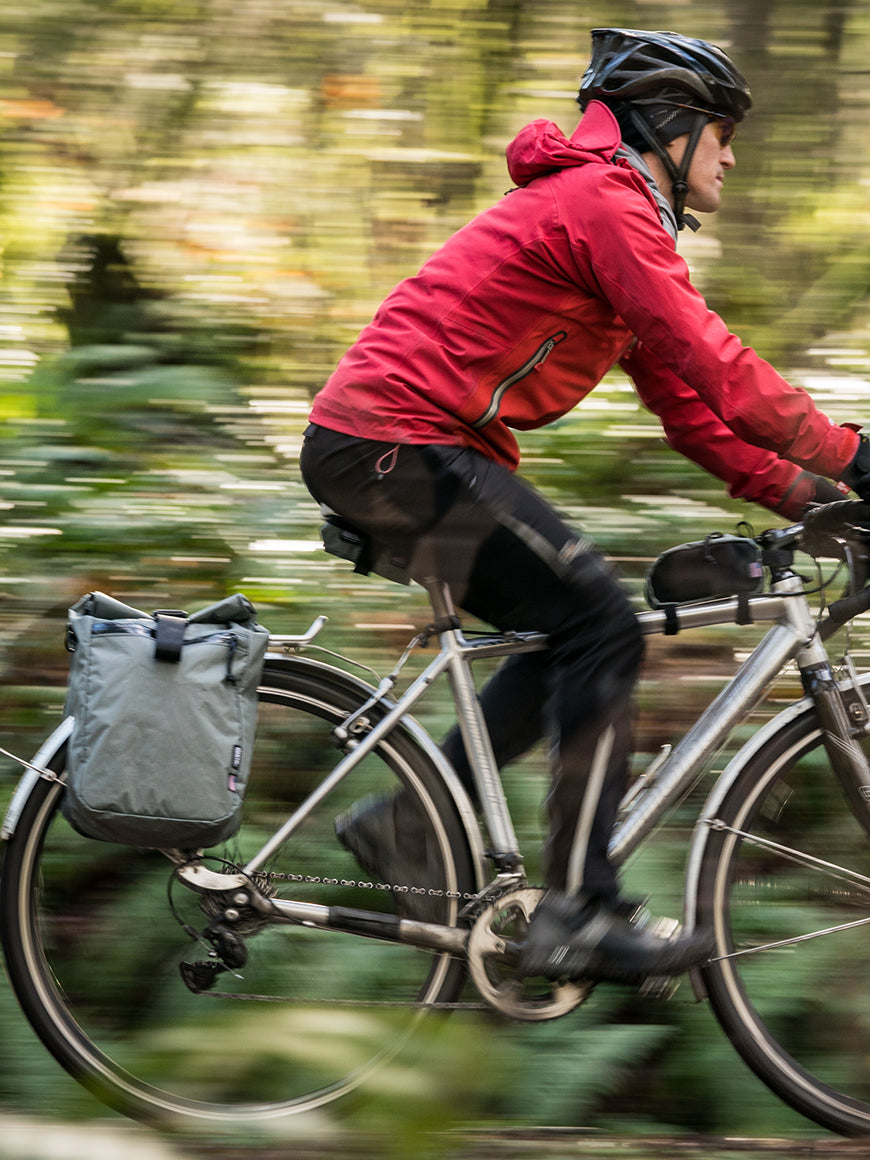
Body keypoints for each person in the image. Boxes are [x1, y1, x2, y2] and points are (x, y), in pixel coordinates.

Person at [299, 27, 870, 986]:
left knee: (575, 626)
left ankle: (410, 825)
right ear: (673, 129)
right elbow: (719, 366)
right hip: (393, 445)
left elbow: (697, 412)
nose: (731, 154)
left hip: (395, 448)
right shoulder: (606, 203)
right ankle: (580, 910)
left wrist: (820, 493)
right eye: (721, 132)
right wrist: (858, 454)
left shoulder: (609, 215)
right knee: (600, 618)